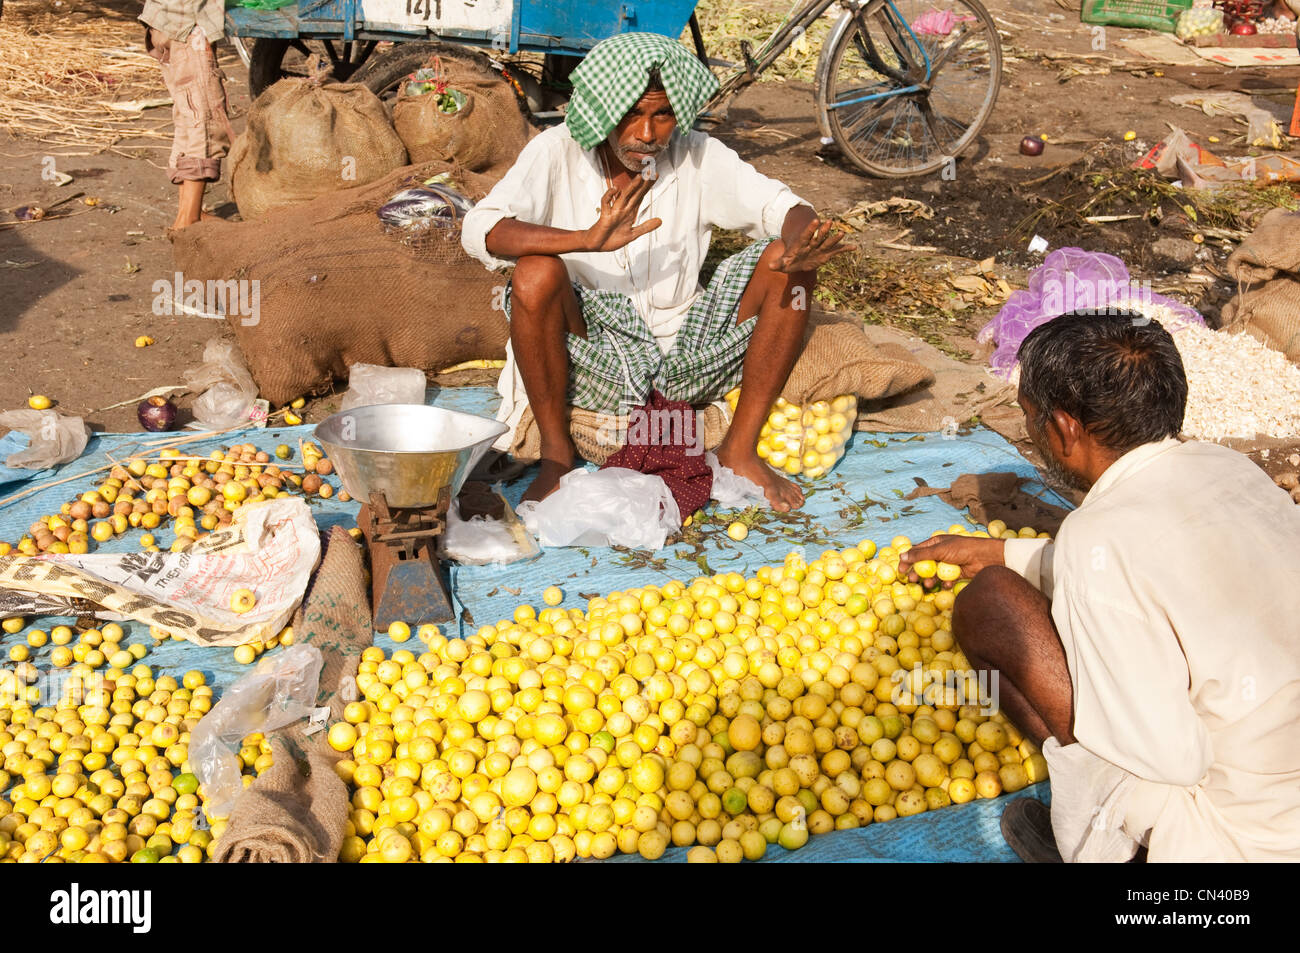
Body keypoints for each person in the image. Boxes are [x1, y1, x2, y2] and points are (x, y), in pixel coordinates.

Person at [900, 310, 1300, 862]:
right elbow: (1162, 569)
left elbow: (1170, 757)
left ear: (1063, 428)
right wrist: (1006, 553)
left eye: (1029, 418)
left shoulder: (1100, 536)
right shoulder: (1230, 469)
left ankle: (1115, 850)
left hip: (1236, 848)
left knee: (991, 606)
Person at [460, 32, 849, 510]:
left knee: (786, 264)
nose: (647, 134)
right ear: (602, 112)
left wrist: (804, 240)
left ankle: (739, 448)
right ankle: (557, 457)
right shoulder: (556, 151)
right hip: (593, 356)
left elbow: (782, 205)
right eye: (632, 114)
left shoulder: (697, 154)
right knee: (535, 274)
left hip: (686, 356)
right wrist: (584, 239)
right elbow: (481, 228)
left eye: (661, 115)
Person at [138, 0, 233, 231]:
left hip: (164, 22)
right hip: (189, 28)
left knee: (188, 118)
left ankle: (190, 212)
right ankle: (188, 222)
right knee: (206, 122)